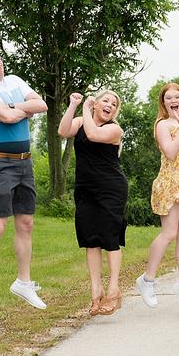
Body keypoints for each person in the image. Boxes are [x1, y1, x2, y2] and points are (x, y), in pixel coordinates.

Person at [0, 46, 49, 322]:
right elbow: (5, 118)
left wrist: (14, 108)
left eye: (0, 60)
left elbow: (41, 105)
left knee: (26, 223)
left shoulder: (14, 81)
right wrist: (16, 111)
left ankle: (23, 283)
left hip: (24, 161)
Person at [135, 82, 179, 311]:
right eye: (169, 98)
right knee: (169, 234)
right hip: (170, 183)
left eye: (177, 97)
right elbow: (170, 152)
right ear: (164, 103)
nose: (173, 101)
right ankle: (147, 280)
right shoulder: (162, 125)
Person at [57, 91, 127, 316]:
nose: (110, 106)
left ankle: (114, 289)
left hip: (111, 189)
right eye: (106, 101)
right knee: (90, 240)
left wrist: (86, 110)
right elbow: (62, 131)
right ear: (97, 104)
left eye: (114, 104)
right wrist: (73, 105)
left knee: (110, 238)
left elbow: (94, 134)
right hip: (85, 189)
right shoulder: (80, 121)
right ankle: (95, 292)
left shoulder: (113, 129)